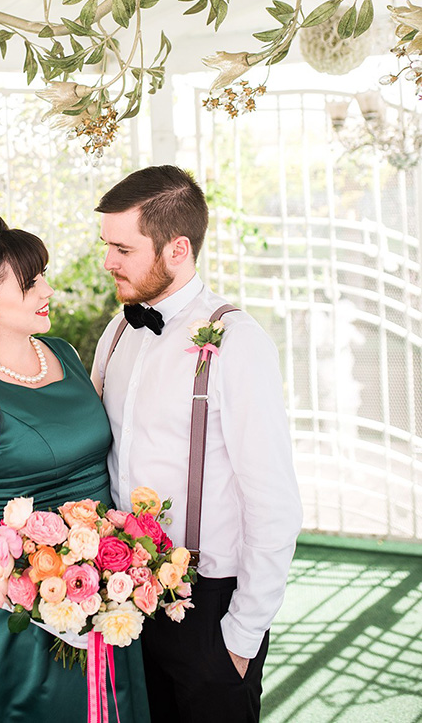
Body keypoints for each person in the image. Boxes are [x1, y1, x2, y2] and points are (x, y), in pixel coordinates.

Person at [0, 211, 149, 723]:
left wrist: (116, 563)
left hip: (106, 581)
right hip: (23, 604)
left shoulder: (62, 354)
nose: (47, 289)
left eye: (42, 274)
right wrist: (25, 600)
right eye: (30, 282)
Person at [91, 166, 303, 723]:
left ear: (177, 248)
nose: (108, 261)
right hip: (127, 595)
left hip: (210, 605)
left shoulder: (239, 343)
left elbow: (274, 501)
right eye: (106, 245)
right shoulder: (116, 334)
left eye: (122, 248)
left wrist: (241, 635)